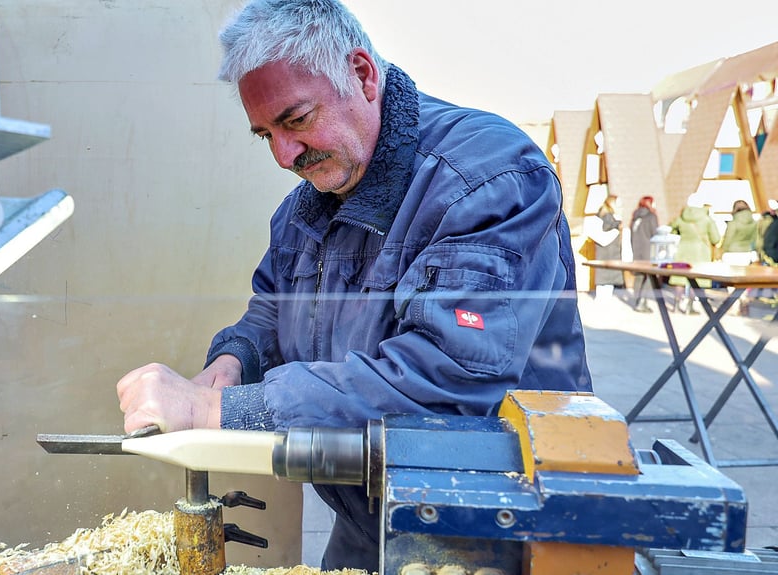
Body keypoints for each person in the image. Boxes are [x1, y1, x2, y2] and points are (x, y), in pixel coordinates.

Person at [115, 1, 592, 570]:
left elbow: (443, 384)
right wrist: (234, 359)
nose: (284, 156)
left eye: (294, 120)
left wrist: (211, 411)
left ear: (363, 75)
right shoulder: (306, 207)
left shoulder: (485, 177)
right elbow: (272, 309)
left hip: (495, 518)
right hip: (368, 515)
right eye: (263, 134)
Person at [668, 196, 721, 314]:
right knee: (697, 279)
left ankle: (676, 305)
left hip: (682, 250)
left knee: (679, 278)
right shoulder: (706, 219)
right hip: (700, 252)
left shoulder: (681, 217)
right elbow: (716, 238)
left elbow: (672, 230)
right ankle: (690, 307)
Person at [629, 195, 658, 312]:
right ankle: (642, 301)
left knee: (639, 276)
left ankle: (637, 301)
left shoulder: (635, 217)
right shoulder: (651, 216)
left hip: (636, 249)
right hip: (648, 250)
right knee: (649, 276)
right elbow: (655, 233)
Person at [591, 194, 624, 290]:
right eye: (619, 205)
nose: (621, 208)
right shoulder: (609, 219)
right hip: (608, 262)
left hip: (604, 262)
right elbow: (604, 239)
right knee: (605, 294)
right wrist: (617, 228)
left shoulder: (601, 216)